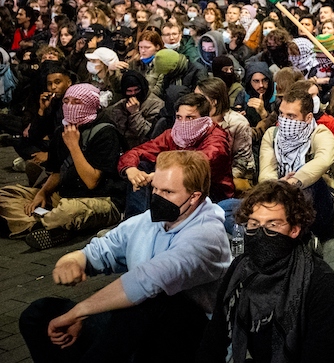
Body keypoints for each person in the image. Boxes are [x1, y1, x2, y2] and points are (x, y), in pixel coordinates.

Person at [19, 151, 231, 363]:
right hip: (137, 326)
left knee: (150, 301)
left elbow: (147, 280)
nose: (157, 197)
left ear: (194, 197)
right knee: (38, 315)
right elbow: (103, 249)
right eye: (155, 188)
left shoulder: (207, 236)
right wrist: (73, 260)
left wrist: (80, 311)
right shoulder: (151, 220)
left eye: (167, 191)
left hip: (192, 338)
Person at [196, 180, 334, 363]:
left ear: (294, 230)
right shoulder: (240, 270)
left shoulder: (321, 283)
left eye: (272, 225)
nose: (261, 233)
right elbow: (215, 337)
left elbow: (321, 353)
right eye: (253, 224)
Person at [0, 83, 126, 250]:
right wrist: (42, 193)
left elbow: (91, 182)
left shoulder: (105, 131)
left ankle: (44, 224)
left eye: (77, 102)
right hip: (65, 194)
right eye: (66, 101)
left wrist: (74, 145)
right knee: (5, 194)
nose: (70, 106)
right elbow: (57, 172)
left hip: (100, 200)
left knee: (68, 211)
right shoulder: (63, 129)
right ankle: (50, 225)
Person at [119, 92, 235, 216]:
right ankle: (135, 222)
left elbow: (199, 163)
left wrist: (161, 176)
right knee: (142, 167)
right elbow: (138, 151)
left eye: (190, 118)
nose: (183, 123)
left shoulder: (216, 138)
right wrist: (130, 169)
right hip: (174, 187)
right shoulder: (173, 134)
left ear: (204, 119)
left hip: (210, 192)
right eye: (179, 117)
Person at [259, 81, 334, 238]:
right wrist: (276, 186)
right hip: (279, 197)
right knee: (228, 207)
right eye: (282, 114)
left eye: (291, 116)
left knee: (310, 183)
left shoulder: (320, 133)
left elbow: (322, 161)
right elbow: (266, 171)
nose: (284, 120)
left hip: (320, 208)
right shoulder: (272, 135)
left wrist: (291, 183)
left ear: (308, 117)